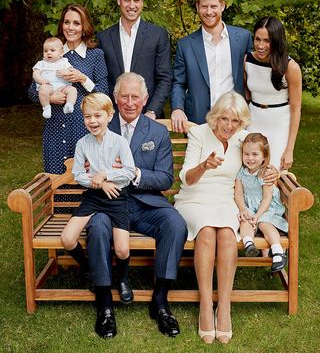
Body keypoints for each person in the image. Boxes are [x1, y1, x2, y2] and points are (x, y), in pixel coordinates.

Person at [85, 72, 187, 339]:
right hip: (108, 203)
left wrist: (134, 172)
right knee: (96, 227)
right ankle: (105, 303)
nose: (129, 102)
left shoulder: (157, 132)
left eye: (135, 97)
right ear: (115, 99)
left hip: (145, 204)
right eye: (124, 96)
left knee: (175, 224)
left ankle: (161, 300)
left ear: (145, 99)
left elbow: (165, 178)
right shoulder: (101, 125)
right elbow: (87, 162)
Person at [174, 91, 277, 344]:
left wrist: (273, 172)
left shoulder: (243, 139)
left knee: (229, 235)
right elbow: (185, 177)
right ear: (215, 117)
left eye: (235, 121)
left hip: (227, 200)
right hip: (195, 198)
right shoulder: (199, 133)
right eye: (224, 120)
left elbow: (261, 159)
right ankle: (206, 306)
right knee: (207, 231)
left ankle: (225, 307)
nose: (229, 126)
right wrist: (203, 166)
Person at [60, 93, 136, 301]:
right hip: (94, 196)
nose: (92, 121)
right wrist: (100, 182)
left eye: (97, 116)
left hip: (116, 197)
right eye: (87, 116)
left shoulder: (120, 142)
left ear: (110, 116)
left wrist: (106, 174)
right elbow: (78, 175)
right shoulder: (82, 144)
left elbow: (129, 172)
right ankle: (89, 270)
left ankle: (122, 278)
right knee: (67, 238)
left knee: (121, 249)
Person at [29, 4, 109, 174]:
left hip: (84, 127)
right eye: (67, 22)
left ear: (84, 26)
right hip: (55, 127)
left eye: (76, 23)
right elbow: (31, 91)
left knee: (85, 178)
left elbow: (104, 93)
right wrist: (49, 99)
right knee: (55, 178)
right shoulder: (52, 52)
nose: (70, 28)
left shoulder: (95, 55)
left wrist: (83, 79)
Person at [171, 0, 252, 130]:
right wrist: (177, 108)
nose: (209, 12)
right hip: (198, 121)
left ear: (222, 6)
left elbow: (254, 74)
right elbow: (179, 83)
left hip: (235, 120)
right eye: (204, 6)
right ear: (197, 7)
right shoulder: (185, 45)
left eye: (213, 6)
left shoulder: (243, 38)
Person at [97, 0, 172, 119]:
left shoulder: (158, 35)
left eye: (136, 0)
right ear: (119, 0)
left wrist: (152, 111)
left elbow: (165, 78)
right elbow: (102, 79)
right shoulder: (103, 38)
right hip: (113, 118)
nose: (132, 5)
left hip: (149, 116)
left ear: (142, 2)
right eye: (127, 0)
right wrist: (108, 110)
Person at [245, 16, 302, 170]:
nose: (261, 45)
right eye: (257, 39)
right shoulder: (247, 61)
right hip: (253, 122)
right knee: (250, 172)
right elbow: (246, 95)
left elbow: (296, 109)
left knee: (273, 175)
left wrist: (289, 150)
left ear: (276, 41)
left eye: (267, 41)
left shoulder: (291, 67)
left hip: (279, 125)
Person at [234, 133, 288, 272]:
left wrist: (257, 216)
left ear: (264, 156)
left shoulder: (265, 172)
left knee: (264, 223)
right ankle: (249, 244)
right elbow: (239, 194)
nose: (250, 158)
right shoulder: (241, 172)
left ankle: (277, 251)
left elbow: (267, 198)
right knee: (245, 220)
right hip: (249, 207)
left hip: (266, 208)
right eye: (246, 154)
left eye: (254, 154)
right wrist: (243, 209)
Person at [33, 37, 77, 119]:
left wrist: (66, 72)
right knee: (42, 90)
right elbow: (35, 74)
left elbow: (72, 72)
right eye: (45, 51)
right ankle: (46, 108)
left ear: (61, 52)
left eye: (52, 50)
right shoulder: (41, 63)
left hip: (63, 87)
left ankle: (69, 104)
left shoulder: (64, 62)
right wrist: (41, 80)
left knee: (72, 90)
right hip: (48, 86)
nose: (48, 53)